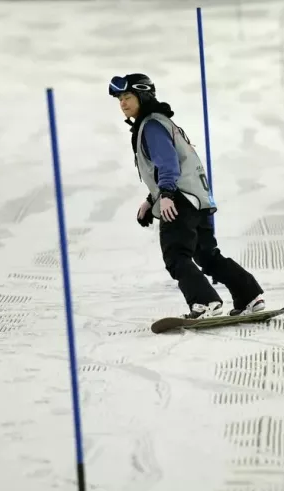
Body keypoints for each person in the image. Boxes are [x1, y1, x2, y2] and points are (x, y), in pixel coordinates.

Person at [109, 73, 266, 320]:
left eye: (128, 96)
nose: (123, 103)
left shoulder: (151, 126)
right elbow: (172, 165)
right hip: (198, 198)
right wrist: (151, 200)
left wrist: (167, 195)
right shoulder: (162, 123)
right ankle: (249, 296)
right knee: (207, 255)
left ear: (143, 95)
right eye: (119, 99)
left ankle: (205, 302)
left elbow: (168, 163)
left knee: (176, 256)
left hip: (180, 199)